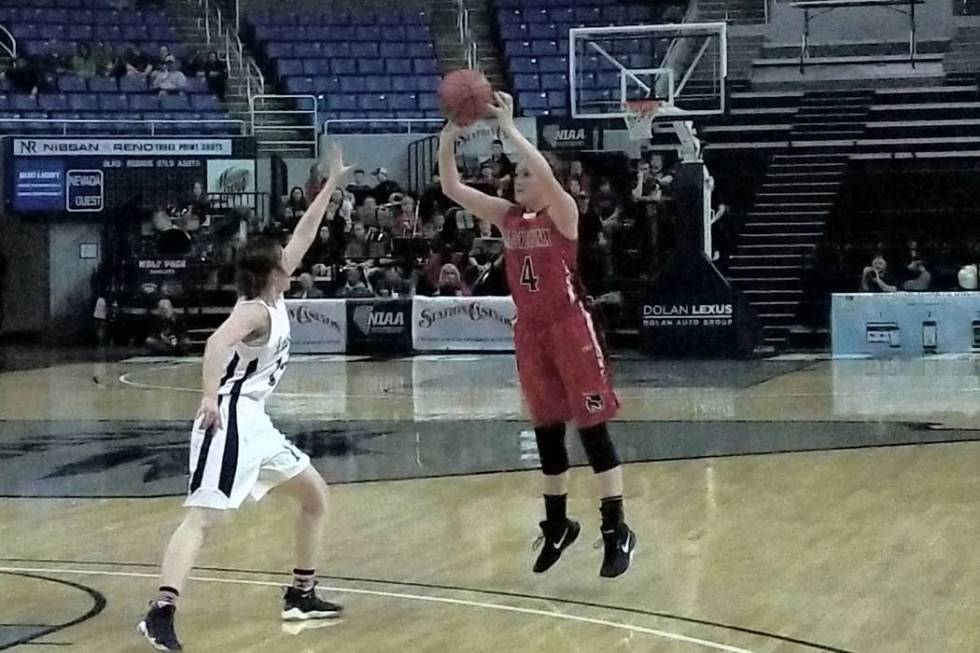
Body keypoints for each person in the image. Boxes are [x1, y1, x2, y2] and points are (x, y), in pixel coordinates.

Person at [137, 144, 353, 651]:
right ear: (272, 272)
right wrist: (209, 398)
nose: (291, 258)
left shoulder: (275, 294)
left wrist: (330, 186)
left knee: (315, 497)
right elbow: (214, 344)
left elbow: (303, 234)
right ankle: (161, 611)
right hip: (229, 416)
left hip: (255, 420)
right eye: (284, 260)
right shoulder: (254, 310)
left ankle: (301, 593)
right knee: (204, 516)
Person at [438, 93, 635, 579]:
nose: (522, 178)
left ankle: (616, 529)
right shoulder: (507, 218)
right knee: (546, 431)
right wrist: (448, 138)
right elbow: (450, 186)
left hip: (571, 327)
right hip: (530, 332)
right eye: (518, 174)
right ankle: (557, 524)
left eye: (529, 173)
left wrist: (509, 128)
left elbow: (544, 175)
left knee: (591, 429)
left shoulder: (563, 212)